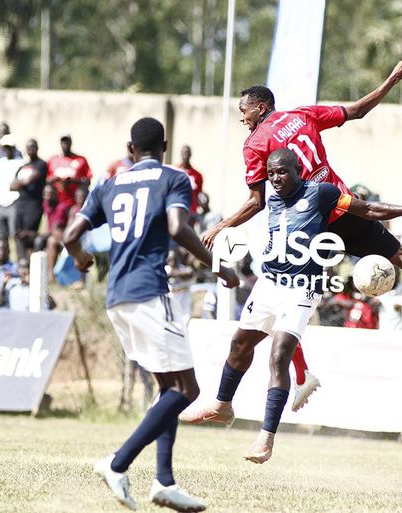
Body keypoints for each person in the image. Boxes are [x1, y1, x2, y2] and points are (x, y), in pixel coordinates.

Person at [200, 54, 402, 409]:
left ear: (261, 107)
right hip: (341, 203)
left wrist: (220, 225)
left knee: (281, 293)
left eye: (245, 111)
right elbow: (358, 110)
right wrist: (394, 77)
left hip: (306, 223)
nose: (242, 118)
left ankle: (302, 376)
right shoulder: (303, 114)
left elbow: (256, 202)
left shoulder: (255, 144)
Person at [181, 148, 402, 464]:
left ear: (298, 171)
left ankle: (265, 439)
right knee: (239, 345)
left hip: (302, 288)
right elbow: (253, 204)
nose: (275, 178)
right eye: (271, 173)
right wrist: (221, 228)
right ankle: (222, 405)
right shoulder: (270, 197)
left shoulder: (322, 193)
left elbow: (368, 209)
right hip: (269, 283)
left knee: (279, 355)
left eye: (282, 172)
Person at [63, 116, 238, 512]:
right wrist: (218, 265)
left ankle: (165, 482)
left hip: (117, 297)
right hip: (149, 293)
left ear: (130, 149)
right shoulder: (174, 178)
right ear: (165, 147)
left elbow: (71, 236)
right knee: (187, 390)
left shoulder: (108, 185)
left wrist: (82, 259)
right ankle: (117, 463)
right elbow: (177, 227)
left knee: (167, 387)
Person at [11, 139, 47, 259]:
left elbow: (29, 180)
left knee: (28, 234)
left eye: (33, 147)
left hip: (33, 204)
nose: (30, 149)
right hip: (20, 204)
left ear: (37, 148)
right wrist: (22, 183)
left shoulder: (41, 164)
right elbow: (12, 186)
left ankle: (30, 262)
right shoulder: (23, 166)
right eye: (28, 147)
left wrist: (22, 183)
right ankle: (21, 263)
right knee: (18, 234)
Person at [0, 135, 24, 252]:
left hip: (14, 203)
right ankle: (4, 258)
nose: (7, 150)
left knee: (15, 235)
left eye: (9, 147)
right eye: (5, 147)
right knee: (1, 237)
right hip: (0, 204)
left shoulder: (20, 163)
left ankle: (19, 259)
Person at [47, 133, 92, 209]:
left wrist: (74, 181)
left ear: (71, 142)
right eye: (63, 142)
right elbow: (46, 180)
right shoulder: (53, 160)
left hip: (74, 202)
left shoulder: (81, 160)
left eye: (67, 141)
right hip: (57, 203)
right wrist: (56, 179)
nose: (65, 144)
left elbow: (88, 181)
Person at [177, 145, 204, 214]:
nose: (185, 155)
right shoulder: (175, 172)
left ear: (190, 154)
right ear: (181, 154)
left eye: (187, 152)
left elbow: (199, 194)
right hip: (177, 209)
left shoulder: (197, 175)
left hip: (191, 211)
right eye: (183, 152)